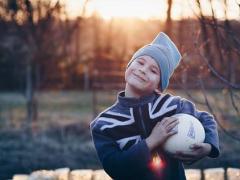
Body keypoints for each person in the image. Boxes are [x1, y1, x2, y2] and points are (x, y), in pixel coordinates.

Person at [90, 32, 220, 180]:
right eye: (140, 62)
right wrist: (151, 141)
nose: (143, 70)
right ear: (128, 66)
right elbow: (115, 168)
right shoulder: (104, 125)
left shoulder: (172, 106)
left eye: (153, 70)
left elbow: (206, 119)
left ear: (159, 86)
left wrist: (208, 147)